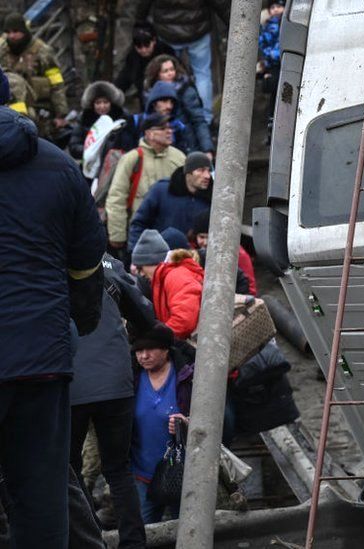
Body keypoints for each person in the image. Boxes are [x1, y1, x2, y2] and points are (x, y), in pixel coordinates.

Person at [0, 67, 106, 547]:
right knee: (42, 499)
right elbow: (87, 260)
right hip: (41, 362)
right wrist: (82, 321)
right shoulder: (59, 166)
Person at [70, 254, 154, 549]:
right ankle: (133, 543)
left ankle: (90, 539)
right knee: (118, 468)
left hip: (70, 383)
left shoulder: (46, 259)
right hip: (115, 381)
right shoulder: (106, 264)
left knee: (69, 470)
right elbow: (145, 314)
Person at [130, 323, 193, 524]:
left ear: (166, 349)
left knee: (186, 527)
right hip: (143, 473)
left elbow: (215, 420)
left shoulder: (187, 378)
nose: (144, 356)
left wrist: (188, 423)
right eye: (139, 350)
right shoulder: (132, 378)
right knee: (145, 531)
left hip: (184, 472)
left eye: (150, 349)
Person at [135, 0, 231, 124]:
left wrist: (139, 21)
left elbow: (143, 5)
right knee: (202, 75)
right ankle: (205, 119)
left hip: (168, 33)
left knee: (167, 76)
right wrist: (230, 20)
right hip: (197, 30)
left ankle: (172, 119)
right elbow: (220, 3)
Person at [105, 113, 186, 256]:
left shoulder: (179, 158)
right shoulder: (132, 158)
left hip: (173, 237)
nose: (169, 131)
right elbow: (116, 197)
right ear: (149, 133)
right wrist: (117, 235)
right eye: (162, 128)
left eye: (170, 128)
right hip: (140, 238)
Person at [127, 151, 212, 252]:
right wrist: (138, 254)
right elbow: (139, 224)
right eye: (201, 170)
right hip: (160, 257)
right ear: (188, 173)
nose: (207, 176)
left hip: (195, 261)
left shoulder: (212, 198)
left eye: (208, 171)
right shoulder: (161, 190)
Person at [0, 13, 69, 137]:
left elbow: (56, 83)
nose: (12, 36)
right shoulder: (2, 49)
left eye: (16, 31)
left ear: (24, 31)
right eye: (8, 32)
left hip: (37, 106)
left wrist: (61, 114)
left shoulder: (42, 51)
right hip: (7, 104)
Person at [131, 230, 204, 339]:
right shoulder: (166, 277)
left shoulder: (176, 276)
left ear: (153, 262)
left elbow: (184, 321)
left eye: (141, 268)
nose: (141, 273)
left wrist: (155, 340)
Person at [143, 55, 213, 158]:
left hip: (189, 146)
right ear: (157, 75)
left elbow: (198, 120)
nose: (170, 73)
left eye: (172, 69)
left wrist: (207, 149)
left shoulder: (185, 90)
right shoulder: (149, 95)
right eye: (165, 71)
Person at [191, 210, 258, 295]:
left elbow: (251, 287)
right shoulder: (193, 253)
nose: (205, 242)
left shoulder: (238, 254)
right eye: (201, 237)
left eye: (209, 237)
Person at [113, 23, 176, 111]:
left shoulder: (166, 53)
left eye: (147, 45)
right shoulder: (133, 57)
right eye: (139, 46)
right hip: (146, 104)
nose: (143, 50)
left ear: (154, 41)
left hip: (170, 101)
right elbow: (124, 78)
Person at [68, 81, 135, 161]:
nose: (102, 106)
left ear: (112, 103)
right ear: (92, 104)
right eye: (98, 103)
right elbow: (74, 146)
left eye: (105, 102)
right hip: (91, 165)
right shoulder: (84, 119)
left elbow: (132, 143)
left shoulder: (123, 119)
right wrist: (91, 151)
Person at [259, 0, 285, 143]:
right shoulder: (268, 26)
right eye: (272, 7)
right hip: (273, 66)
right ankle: (272, 128)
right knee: (274, 97)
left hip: (283, 63)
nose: (275, 10)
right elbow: (263, 43)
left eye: (278, 6)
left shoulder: (285, 24)